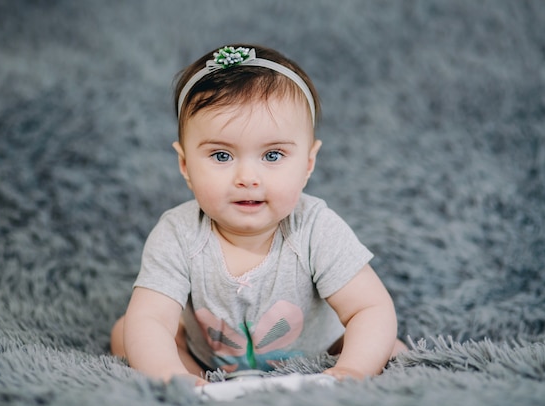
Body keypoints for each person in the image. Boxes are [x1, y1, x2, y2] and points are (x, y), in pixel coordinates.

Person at [110, 44, 407, 385]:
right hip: (209, 358)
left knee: (382, 345)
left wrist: (351, 369)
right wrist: (171, 375)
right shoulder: (178, 233)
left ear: (308, 164)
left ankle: (345, 371)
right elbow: (152, 319)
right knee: (129, 331)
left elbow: (369, 308)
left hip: (320, 351)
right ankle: (194, 385)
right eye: (221, 156)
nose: (247, 178)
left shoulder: (314, 228)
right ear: (185, 164)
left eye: (273, 155)